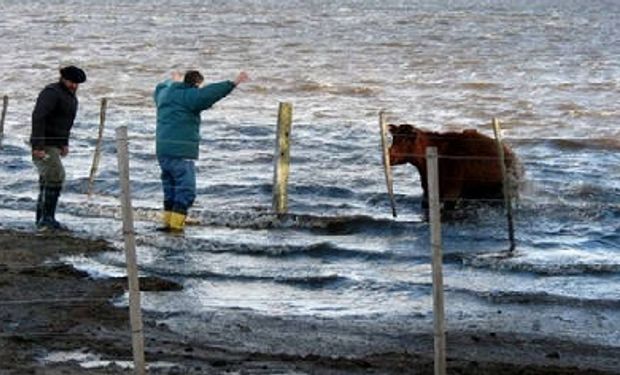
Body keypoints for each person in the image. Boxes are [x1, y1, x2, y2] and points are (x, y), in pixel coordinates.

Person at [154, 69, 249, 232]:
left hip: (163, 150)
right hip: (181, 150)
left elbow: (160, 87)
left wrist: (173, 81)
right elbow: (210, 93)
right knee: (186, 190)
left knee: (170, 188)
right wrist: (233, 83)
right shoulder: (190, 97)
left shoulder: (165, 95)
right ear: (197, 84)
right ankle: (176, 228)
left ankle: (167, 224)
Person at [30, 65, 87, 231]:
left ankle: (43, 219)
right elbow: (38, 117)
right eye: (72, 82)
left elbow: (65, 124)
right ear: (63, 78)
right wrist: (37, 146)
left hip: (55, 143)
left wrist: (64, 143)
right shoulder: (51, 93)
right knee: (55, 175)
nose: (74, 86)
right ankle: (47, 220)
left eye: (77, 83)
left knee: (48, 179)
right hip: (45, 143)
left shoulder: (69, 97)